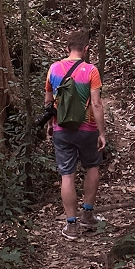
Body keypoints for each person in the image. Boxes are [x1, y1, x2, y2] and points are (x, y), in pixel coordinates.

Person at [45, 29, 107, 240]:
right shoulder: (91, 70)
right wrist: (102, 132)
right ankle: (87, 215)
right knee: (92, 166)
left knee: (67, 175)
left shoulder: (53, 69)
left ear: (67, 48)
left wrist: (51, 122)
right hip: (87, 129)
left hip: (61, 128)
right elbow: (97, 104)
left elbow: (48, 100)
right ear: (86, 49)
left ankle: (71, 226)